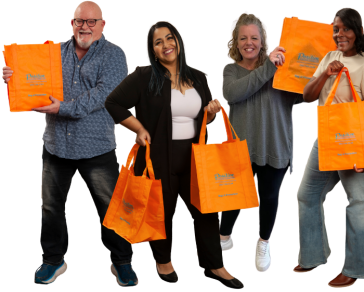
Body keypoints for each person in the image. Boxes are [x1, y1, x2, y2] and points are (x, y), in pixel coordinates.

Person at [1, 0, 136, 286]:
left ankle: (122, 261)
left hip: (96, 147)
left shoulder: (115, 55)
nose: (84, 27)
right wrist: (15, 79)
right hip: (55, 145)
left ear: (102, 25)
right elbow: (35, 87)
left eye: (91, 22)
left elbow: (105, 95)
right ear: (71, 23)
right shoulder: (51, 54)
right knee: (50, 207)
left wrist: (64, 108)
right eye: (79, 21)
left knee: (112, 207)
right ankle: (53, 260)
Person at [104, 21, 243, 288]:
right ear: (153, 51)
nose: (166, 45)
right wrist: (139, 128)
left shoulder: (199, 78)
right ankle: (164, 261)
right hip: (157, 156)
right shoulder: (144, 76)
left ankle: (215, 265)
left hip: (194, 157)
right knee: (161, 212)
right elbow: (114, 103)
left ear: (178, 42)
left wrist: (211, 112)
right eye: (159, 42)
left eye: (170, 38)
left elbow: (203, 118)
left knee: (206, 211)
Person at [291, 7, 364, 288]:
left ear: (357, 31)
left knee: (358, 202)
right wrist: (325, 75)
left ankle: (359, 268)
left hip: (360, 140)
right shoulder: (329, 58)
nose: (339, 34)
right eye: (336, 29)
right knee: (306, 194)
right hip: (328, 139)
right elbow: (308, 96)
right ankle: (312, 256)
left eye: (345, 28)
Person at [218, 10, 303, 274]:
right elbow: (232, 93)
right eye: (242, 38)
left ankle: (263, 242)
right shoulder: (230, 70)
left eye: (253, 37)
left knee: (268, 197)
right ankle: (223, 236)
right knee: (233, 197)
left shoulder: (282, 67)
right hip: (240, 149)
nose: (248, 43)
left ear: (262, 40)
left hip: (274, 145)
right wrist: (268, 67)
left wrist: (313, 68)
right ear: (236, 41)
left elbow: (305, 95)